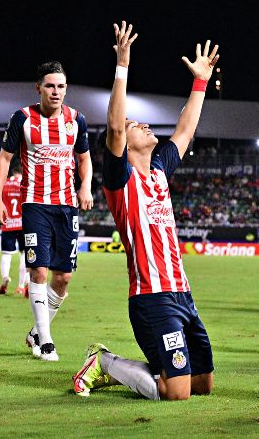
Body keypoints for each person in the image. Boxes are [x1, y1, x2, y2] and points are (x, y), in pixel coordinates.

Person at [72, 21, 217, 400]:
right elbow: (115, 129)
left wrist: (200, 82)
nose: (145, 126)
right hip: (152, 298)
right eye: (137, 125)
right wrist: (122, 65)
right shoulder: (120, 180)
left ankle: (145, 369)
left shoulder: (159, 170)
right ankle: (104, 361)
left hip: (183, 294)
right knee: (177, 393)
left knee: (202, 385)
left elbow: (184, 130)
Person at [0, 60, 94, 361]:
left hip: (67, 206)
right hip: (35, 203)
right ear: (38, 88)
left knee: (63, 278)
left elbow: (85, 159)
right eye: (50, 86)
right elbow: (4, 159)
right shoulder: (22, 118)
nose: (56, 92)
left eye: (61, 86)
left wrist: (86, 187)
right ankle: (46, 342)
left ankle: (36, 332)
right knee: (37, 270)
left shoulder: (77, 120)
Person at [0, 164, 29, 296]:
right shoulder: (25, 183)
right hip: (23, 224)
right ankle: (21, 286)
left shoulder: (5, 183)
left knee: (6, 254)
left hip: (8, 223)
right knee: (24, 254)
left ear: (13, 172)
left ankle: (5, 277)